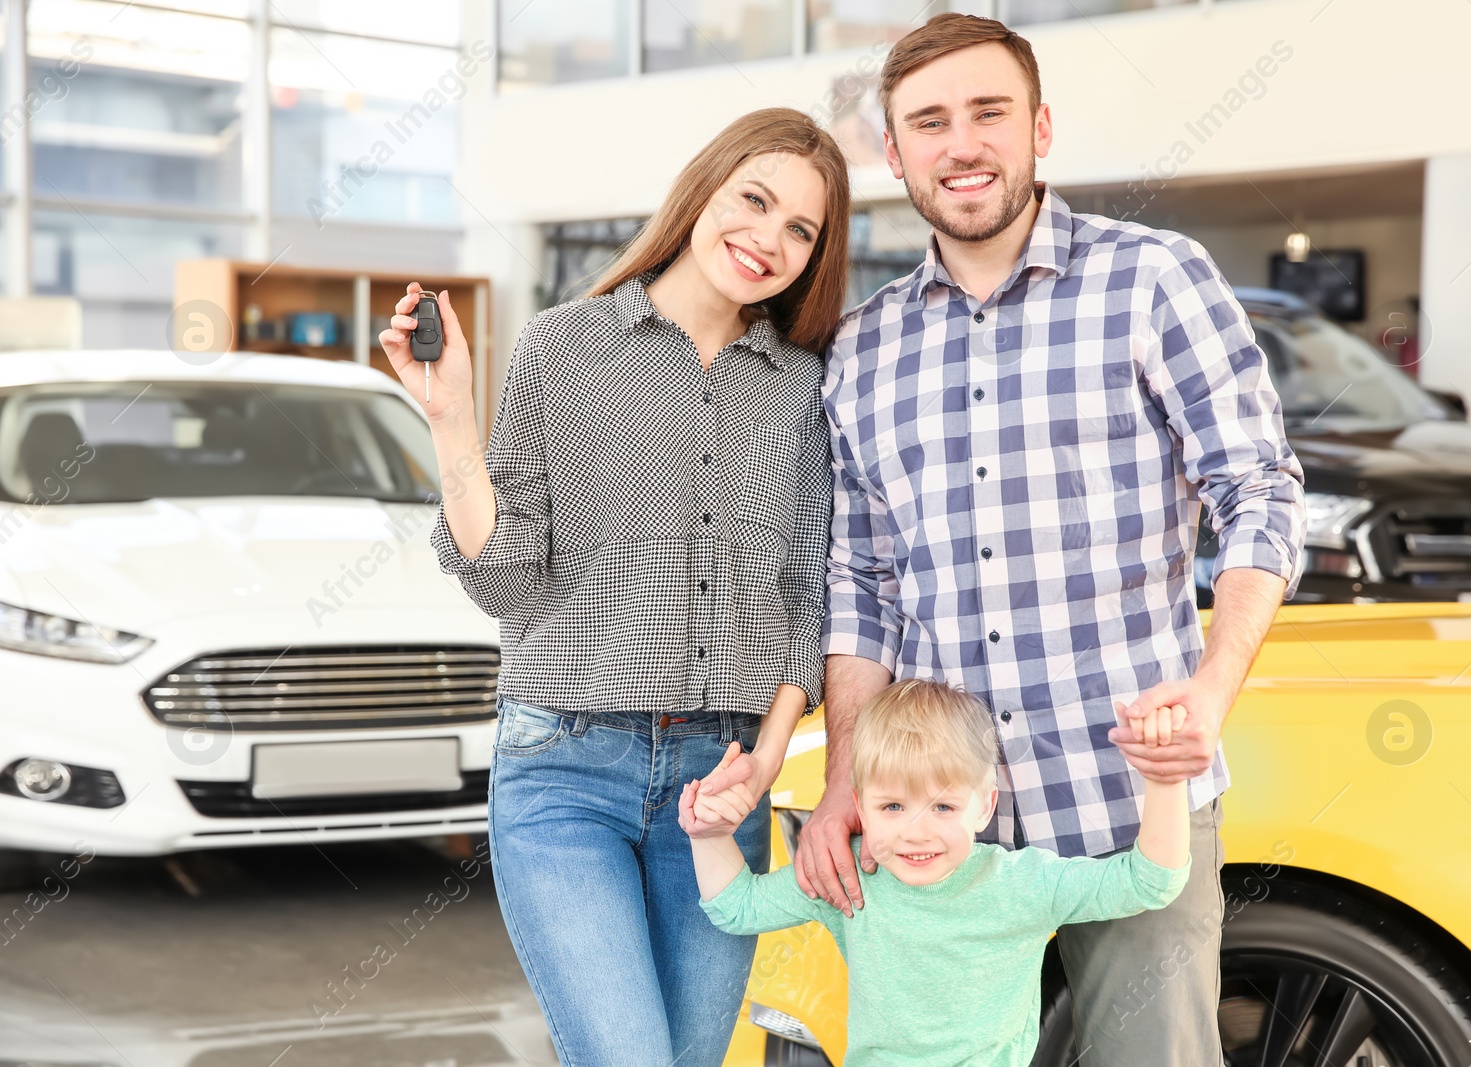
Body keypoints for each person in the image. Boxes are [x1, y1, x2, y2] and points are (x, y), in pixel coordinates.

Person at [795, 14, 1308, 1066]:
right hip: (937, 823)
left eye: (987, 112)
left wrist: (1211, 685)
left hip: (1126, 799)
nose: (961, 144)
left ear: (1039, 127)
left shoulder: (1154, 279)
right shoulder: (865, 346)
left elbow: (1256, 487)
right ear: (893, 153)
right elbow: (861, 578)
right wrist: (849, 770)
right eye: (927, 122)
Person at [379, 107, 850, 1067]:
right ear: (702, 192)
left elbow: (805, 591)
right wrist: (451, 418)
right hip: (565, 768)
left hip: (721, 784)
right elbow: (505, 579)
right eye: (754, 201)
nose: (769, 239)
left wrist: (762, 763)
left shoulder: (802, 387)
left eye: (801, 229)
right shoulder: (563, 347)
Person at [680, 678, 1192, 1067]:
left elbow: (1151, 880)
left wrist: (1165, 782)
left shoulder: (1024, 883)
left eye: (944, 808)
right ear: (859, 805)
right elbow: (735, 907)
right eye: (893, 807)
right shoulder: (852, 878)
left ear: (985, 807)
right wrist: (709, 835)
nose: (915, 833)